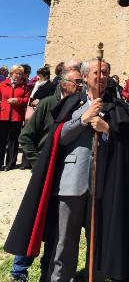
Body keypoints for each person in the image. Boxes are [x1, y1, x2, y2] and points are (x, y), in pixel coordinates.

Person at [4, 58, 129, 282]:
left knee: (96, 240)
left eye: (106, 72)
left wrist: (107, 129)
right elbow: (59, 137)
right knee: (64, 242)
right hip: (71, 182)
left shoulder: (117, 107)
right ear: (86, 76)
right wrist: (83, 119)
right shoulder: (73, 103)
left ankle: (94, 278)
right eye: (97, 72)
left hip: (102, 184)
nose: (102, 76)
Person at [8, 69, 83, 282]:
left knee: (55, 225)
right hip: (44, 172)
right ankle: (19, 270)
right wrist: (37, 163)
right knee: (33, 219)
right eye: (77, 81)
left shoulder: (79, 107)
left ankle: (46, 270)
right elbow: (26, 137)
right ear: (63, 83)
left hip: (64, 174)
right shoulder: (48, 103)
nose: (80, 85)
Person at [0, 65, 30, 171]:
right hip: (3, 116)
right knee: (1, 140)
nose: (18, 75)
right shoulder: (2, 84)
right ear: (11, 73)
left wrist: (18, 100)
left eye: (20, 74)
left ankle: (10, 164)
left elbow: (27, 99)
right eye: (16, 73)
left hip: (16, 117)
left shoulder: (24, 86)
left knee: (13, 141)